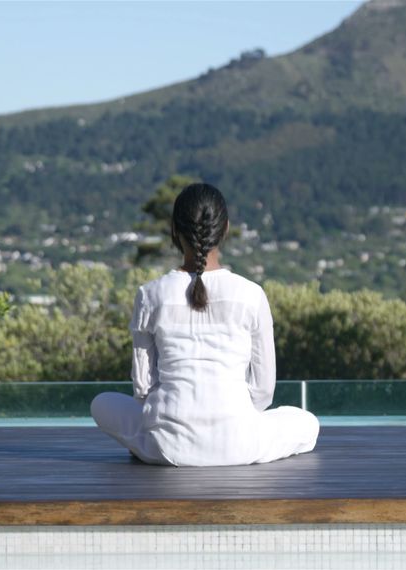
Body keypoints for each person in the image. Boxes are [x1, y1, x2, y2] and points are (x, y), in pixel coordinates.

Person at [91, 183, 319, 466]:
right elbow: (262, 392)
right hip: (240, 445)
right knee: (307, 422)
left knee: (100, 403)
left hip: (166, 447)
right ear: (225, 229)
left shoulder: (149, 295)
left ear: (174, 230)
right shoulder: (251, 294)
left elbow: (143, 388)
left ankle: (144, 443)